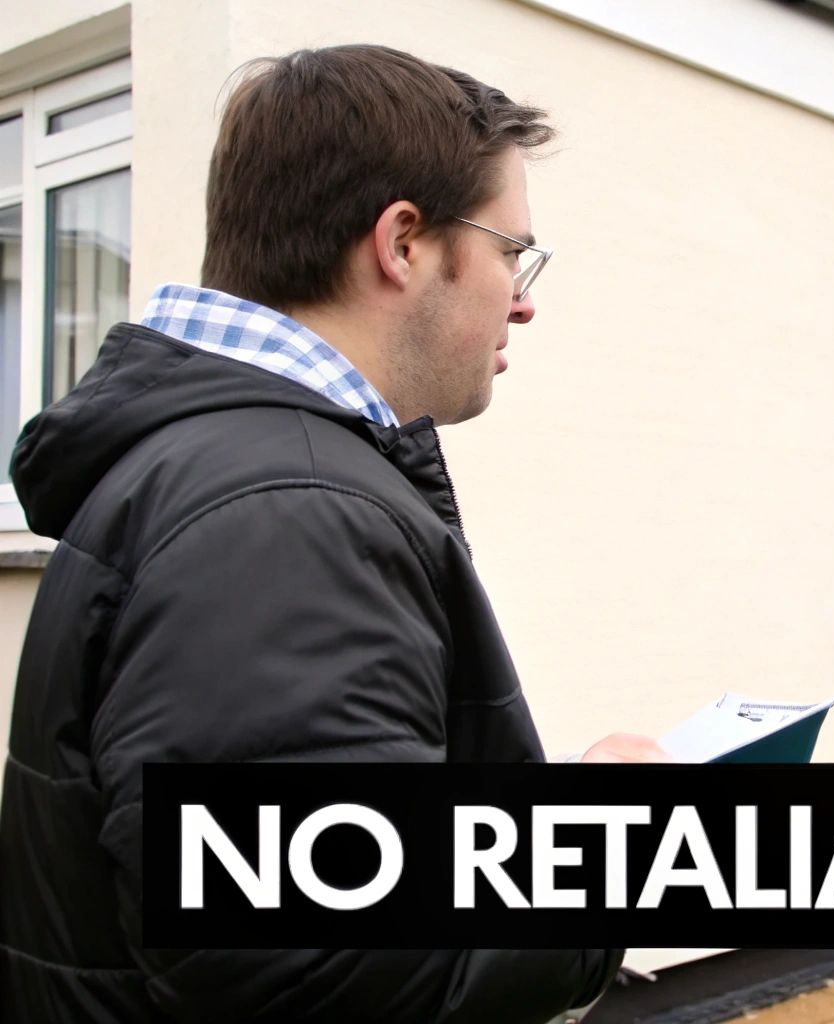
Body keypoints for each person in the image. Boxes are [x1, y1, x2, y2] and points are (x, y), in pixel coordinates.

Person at [0, 45, 664, 1023]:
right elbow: (328, 963)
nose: (523, 297)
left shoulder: (229, 469)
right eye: (511, 252)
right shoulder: (283, 512)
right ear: (402, 243)